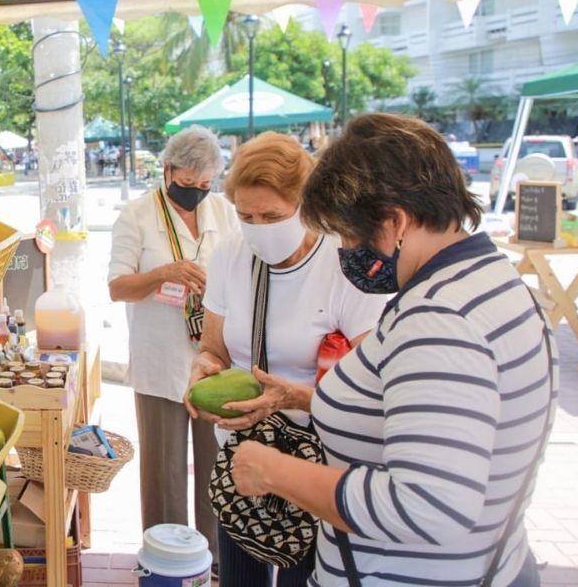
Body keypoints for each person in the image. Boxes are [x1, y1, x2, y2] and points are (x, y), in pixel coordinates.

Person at [225, 114, 556, 586]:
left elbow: (425, 505)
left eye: (348, 233)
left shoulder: (439, 320)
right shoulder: (493, 282)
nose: (344, 249)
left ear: (396, 222)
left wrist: (274, 471)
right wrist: (301, 399)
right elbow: (429, 417)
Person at [183, 133, 386, 587]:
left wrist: (291, 397)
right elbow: (213, 349)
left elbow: (375, 387)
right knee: (240, 579)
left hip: (314, 462)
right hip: (243, 456)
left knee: (304, 579)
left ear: (308, 205)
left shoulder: (343, 264)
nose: (257, 227)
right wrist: (205, 369)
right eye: (245, 215)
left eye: (272, 216)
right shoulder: (232, 255)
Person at [108, 126, 238, 570]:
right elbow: (118, 287)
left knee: (214, 466)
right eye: (187, 184)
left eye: (205, 186)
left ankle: (214, 560)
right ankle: (165, 559)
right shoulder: (137, 215)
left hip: (215, 357)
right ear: (166, 171)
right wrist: (164, 273)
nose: (197, 194)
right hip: (159, 358)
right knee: (163, 475)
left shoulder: (224, 212)